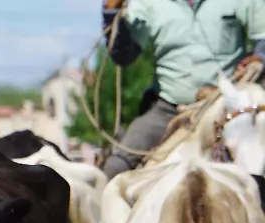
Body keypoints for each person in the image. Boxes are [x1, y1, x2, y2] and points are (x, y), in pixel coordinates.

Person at [101, 0, 265, 177]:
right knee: (115, 167)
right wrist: (111, 12)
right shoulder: (145, 3)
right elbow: (123, 56)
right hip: (169, 109)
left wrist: (259, 58)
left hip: (229, 108)